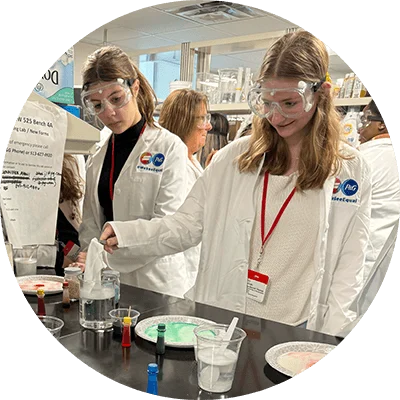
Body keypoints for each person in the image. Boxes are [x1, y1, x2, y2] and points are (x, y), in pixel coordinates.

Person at [99, 31, 372, 338]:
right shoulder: (234, 160)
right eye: (267, 102)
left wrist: (330, 338)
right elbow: (186, 225)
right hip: (225, 322)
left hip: (296, 331)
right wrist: (128, 233)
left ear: (321, 93)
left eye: (289, 103)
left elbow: (350, 266)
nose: (276, 116)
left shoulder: (348, 169)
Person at [77, 45, 191, 298]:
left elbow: (170, 225)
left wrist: (124, 236)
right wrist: (88, 256)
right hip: (107, 280)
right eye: (97, 105)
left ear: (135, 88)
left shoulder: (168, 147)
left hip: (156, 283)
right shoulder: (99, 150)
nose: (109, 113)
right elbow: (91, 222)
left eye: (116, 99)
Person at [157, 89, 212, 287]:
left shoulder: (193, 161)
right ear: (184, 121)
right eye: (202, 119)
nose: (209, 125)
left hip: (194, 267)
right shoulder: (174, 164)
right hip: (178, 269)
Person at [354, 100, 400, 316]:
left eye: (365, 119)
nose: (359, 127)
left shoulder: (365, 158)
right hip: (379, 258)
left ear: (381, 124)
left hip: (360, 261)